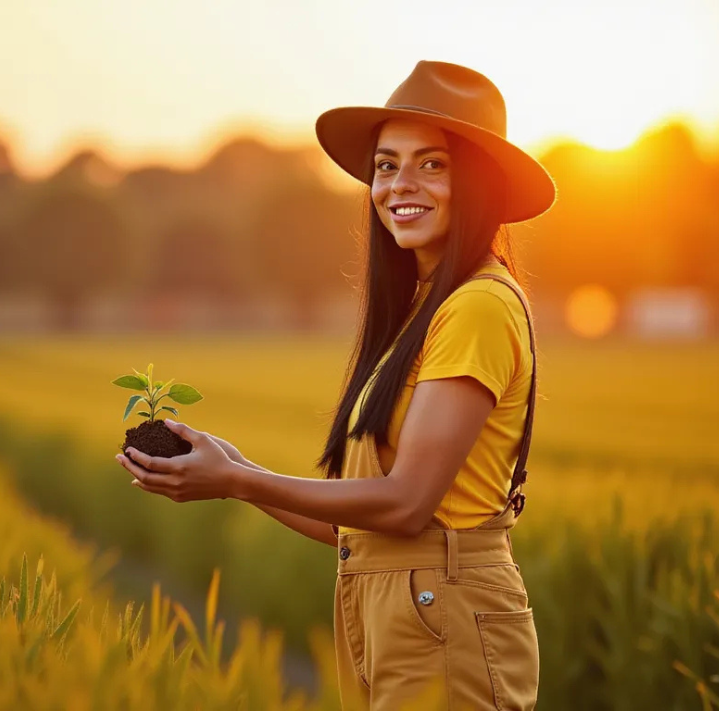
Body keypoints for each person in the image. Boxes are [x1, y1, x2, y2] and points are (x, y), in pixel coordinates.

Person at [116, 60, 556, 710]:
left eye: (432, 164)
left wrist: (237, 479)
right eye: (386, 165)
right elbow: (358, 530)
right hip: (389, 606)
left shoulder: (478, 306)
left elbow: (407, 504)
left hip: (443, 612)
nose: (399, 184)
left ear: (480, 181)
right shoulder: (422, 313)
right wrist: (232, 464)